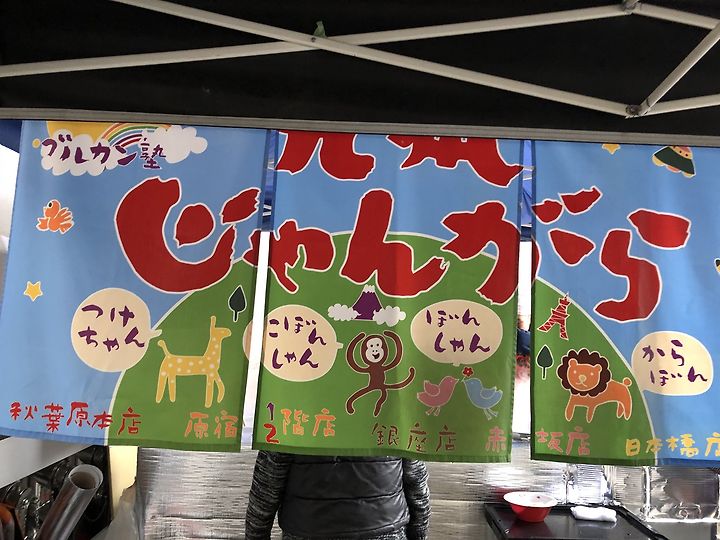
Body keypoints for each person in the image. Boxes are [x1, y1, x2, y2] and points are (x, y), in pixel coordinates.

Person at [245, 451, 430, 539]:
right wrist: (418, 533)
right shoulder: (393, 407)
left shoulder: (290, 404)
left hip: (308, 531)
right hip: (385, 528)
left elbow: (265, 490)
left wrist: (255, 535)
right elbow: (417, 485)